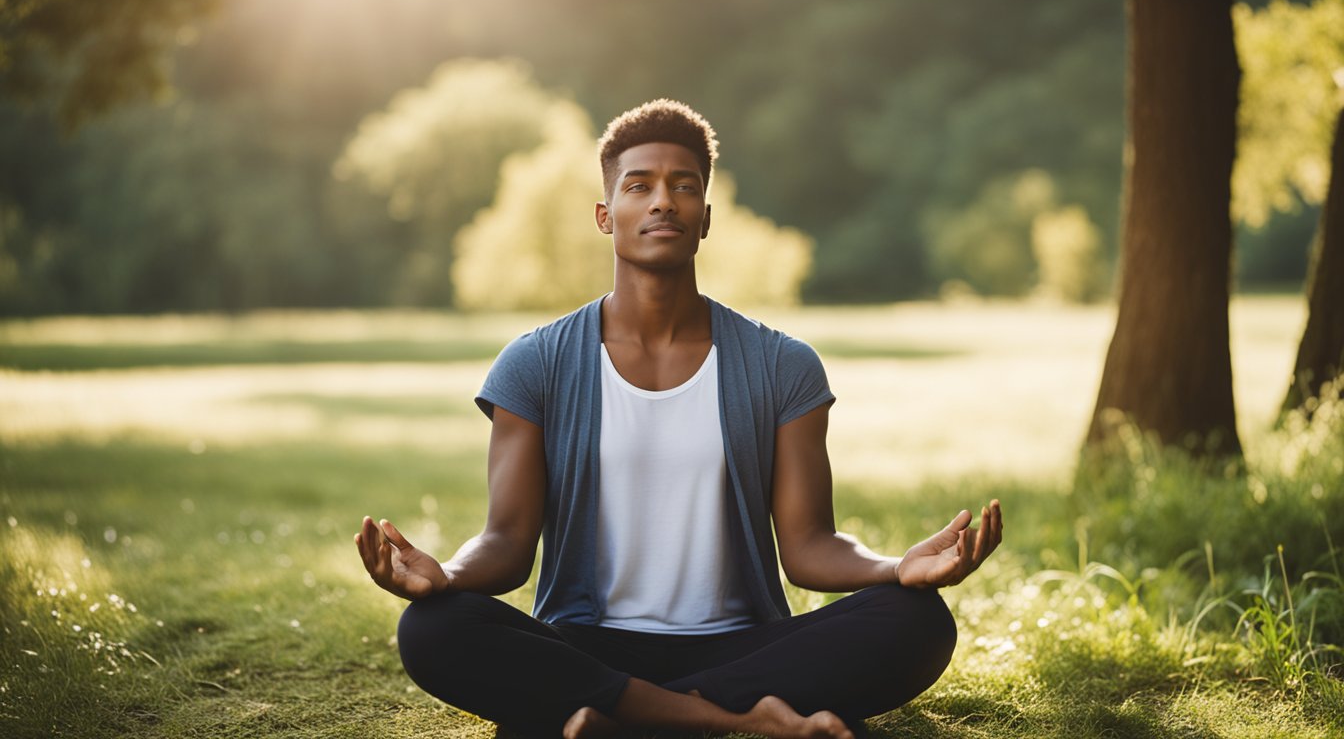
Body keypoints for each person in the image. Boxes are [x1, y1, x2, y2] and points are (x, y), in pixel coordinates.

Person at [355, 99, 1003, 739]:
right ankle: (739, 720)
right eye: (640, 186)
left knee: (916, 620)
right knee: (432, 626)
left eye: (683, 186)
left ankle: (614, 717)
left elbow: (809, 549)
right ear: (606, 215)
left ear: (705, 217)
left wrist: (896, 568)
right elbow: (507, 541)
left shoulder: (783, 366)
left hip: (742, 649)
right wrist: (450, 577)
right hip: (590, 645)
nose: (663, 200)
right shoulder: (536, 364)